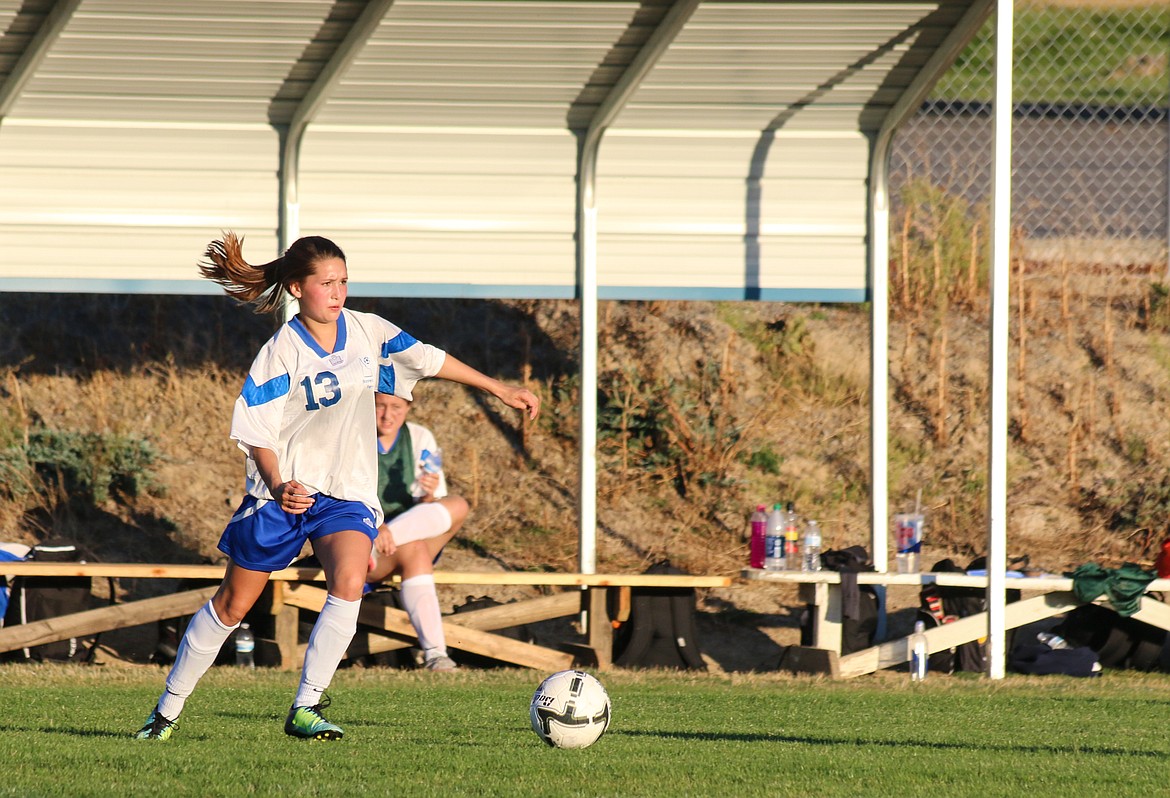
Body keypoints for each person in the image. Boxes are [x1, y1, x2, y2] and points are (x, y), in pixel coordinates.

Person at [135, 232, 539, 741]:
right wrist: (279, 484)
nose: (338, 291)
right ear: (297, 288)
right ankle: (166, 711)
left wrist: (499, 388)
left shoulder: (368, 331)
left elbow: (430, 359)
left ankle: (306, 706)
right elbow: (256, 431)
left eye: (344, 281)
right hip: (283, 494)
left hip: (345, 492)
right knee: (233, 606)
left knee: (349, 580)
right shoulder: (280, 352)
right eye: (327, 282)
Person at [366, 392, 468, 671]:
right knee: (416, 550)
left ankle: (436, 655)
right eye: (380, 406)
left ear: (409, 407)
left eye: (397, 407)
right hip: (359, 542)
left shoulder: (419, 437)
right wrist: (374, 525)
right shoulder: (353, 436)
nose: (388, 415)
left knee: (458, 505)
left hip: (394, 543)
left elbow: (428, 511)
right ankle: (436, 654)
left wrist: (428, 495)